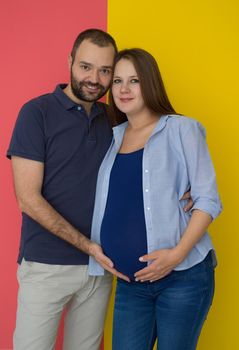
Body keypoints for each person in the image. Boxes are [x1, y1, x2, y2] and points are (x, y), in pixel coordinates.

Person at [89, 48, 222, 350]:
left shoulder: (181, 129)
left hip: (183, 278)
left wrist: (175, 256)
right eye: (118, 80)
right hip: (130, 283)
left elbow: (209, 200)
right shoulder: (112, 137)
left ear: (150, 83)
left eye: (134, 80)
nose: (123, 89)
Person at [6, 28, 127, 350]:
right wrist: (86, 245)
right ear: (70, 62)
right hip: (46, 265)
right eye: (85, 67)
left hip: (99, 267)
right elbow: (28, 199)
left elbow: (146, 168)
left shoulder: (114, 118)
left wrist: (183, 192)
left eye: (105, 71)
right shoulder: (37, 112)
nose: (94, 79)